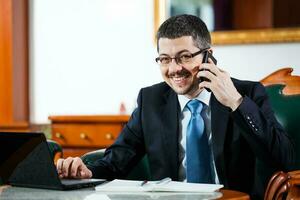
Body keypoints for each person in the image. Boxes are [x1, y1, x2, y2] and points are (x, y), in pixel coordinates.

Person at [56, 14, 294, 199]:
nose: (174, 69)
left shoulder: (247, 94)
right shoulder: (150, 100)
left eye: (184, 57)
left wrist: (235, 102)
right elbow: (117, 160)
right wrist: (88, 172)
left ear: (208, 56)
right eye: (165, 59)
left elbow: (283, 158)